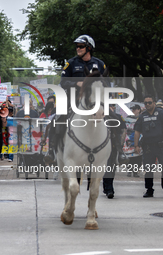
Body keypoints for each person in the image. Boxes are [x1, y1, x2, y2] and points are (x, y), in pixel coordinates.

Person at [45, 35, 128, 165]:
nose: (78, 48)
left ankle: (119, 150)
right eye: (77, 46)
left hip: (95, 99)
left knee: (115, 119)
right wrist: (77, 83)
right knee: (57, 118)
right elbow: (63, 82)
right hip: (74, 98)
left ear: (89, 48)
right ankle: (51, 150)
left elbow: (106, 83)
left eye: (81, 46)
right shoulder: (71, 63)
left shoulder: (100, 64)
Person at [134, 95, 163, 197]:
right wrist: (136, 145)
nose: (147, 105)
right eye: (145, 103)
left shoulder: (160, 113)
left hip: (161, 146)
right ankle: (149, 189)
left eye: (149, 102)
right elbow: (137, 131)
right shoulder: (142, 116)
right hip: (148, 147)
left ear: (154, 103)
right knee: (148, 169)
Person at [102, 104, 127, 199]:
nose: (111, 108)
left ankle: (108, 188)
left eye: (112, 106)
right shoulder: (98, 117)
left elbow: (123, 130)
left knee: (111, 168)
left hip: (113, 146)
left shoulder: (117, 117)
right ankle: (108, 189)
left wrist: (120, 146)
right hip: (100, 147)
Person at [124, 104, 142, 177]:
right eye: (132, 109)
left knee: (138, 156)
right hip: (129, 140)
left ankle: (135, 171)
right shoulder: (128, 118)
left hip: (139, 139)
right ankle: (129, 170)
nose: (133, 111)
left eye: (134, 109)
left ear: (139, 110)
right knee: (129, 157)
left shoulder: (141, 118)